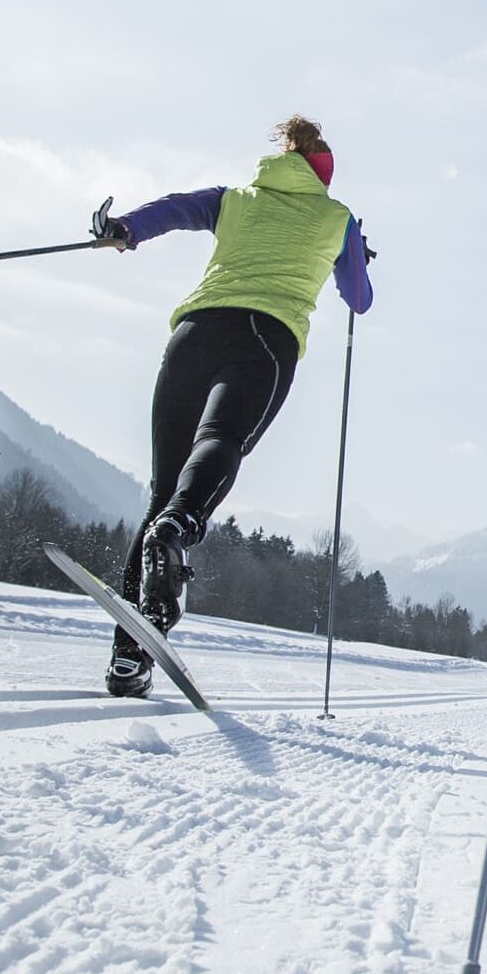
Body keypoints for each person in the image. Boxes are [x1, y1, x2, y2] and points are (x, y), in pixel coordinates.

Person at [90, 115, 373, 697]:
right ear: (322, 175)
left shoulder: (234, 199)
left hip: (193, 334)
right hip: (265, 341)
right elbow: (359, 300)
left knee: (160, 490)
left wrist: (124, 229)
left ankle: (128, 658)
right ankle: (181, 525)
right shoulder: (337, 218)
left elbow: (173, 208)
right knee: (220, 441)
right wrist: (357, 256)